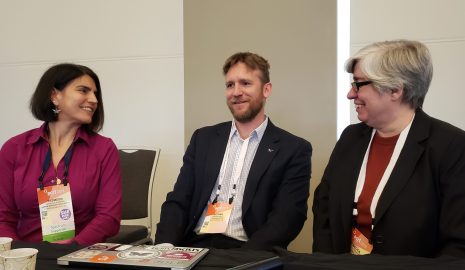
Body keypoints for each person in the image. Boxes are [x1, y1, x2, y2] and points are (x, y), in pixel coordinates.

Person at [312, 40, 465, 257]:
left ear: (395, 90)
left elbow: (458, 245)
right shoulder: (350, 138)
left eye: (358, 84)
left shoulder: (451, 147)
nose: (350, 94)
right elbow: (324, 211)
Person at [155, 52, 312, 250]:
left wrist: (245, 260)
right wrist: (164, 248)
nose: (236, 92)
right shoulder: (203, 139)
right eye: (230, 85)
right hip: (194, 246)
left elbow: (288, 217)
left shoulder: (293, 149)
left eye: (245, 83)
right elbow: (178, 200)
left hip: (248, 250)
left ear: (266, 90)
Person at [0, 63, 122, 245]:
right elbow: (3, 216)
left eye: (95, 93)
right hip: (24, 255)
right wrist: (17, 254)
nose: (94, 99)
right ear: (54, 96)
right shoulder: (14, 148)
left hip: (80, 254)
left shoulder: (104, 149)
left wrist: (71, 247)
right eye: (84, 90)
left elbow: (108, 218)